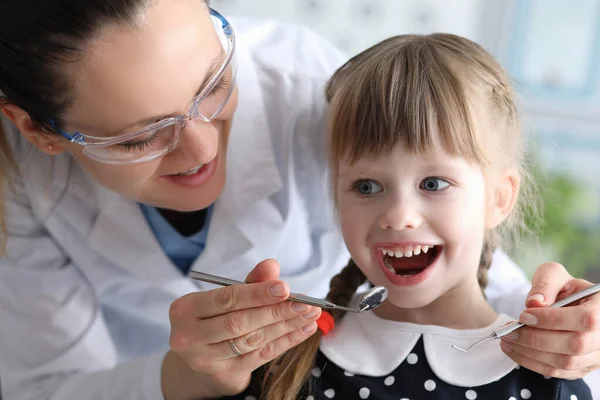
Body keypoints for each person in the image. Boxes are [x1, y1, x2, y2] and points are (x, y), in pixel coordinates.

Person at [0, 1, 598, 399]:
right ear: (38, 131)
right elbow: (43, 386)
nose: (202, 147)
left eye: (214, 83)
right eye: (139, 136)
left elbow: (462, 255)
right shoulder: (22, 178)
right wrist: (181, 379)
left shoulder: (319, 93)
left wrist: (565, 325)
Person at [224, 33, 594, 400]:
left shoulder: (549, 381)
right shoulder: (286, 363)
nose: (398, 217)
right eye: (366, 186)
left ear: (499, 198)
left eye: (433, 183)